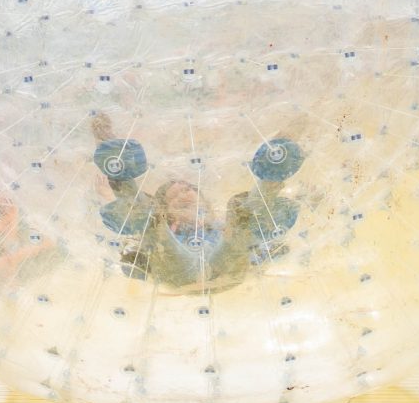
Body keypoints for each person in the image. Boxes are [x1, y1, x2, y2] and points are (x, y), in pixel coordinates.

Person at [91, 114, 303, 289]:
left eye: (188, 190)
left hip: (226, 271)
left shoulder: (222, 228)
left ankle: (278, 157)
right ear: (169, 213)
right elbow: (140, 234)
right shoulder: (166, 230)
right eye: (174, 198)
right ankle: (114, 158)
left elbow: (256, 247)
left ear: (204, 204)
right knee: (151, 222)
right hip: (176, 274)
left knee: (240, 214)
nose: (182, 195)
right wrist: (108, 196)